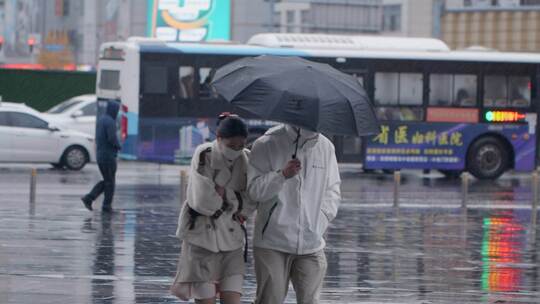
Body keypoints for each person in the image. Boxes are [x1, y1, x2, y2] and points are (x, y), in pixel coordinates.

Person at [247, 124, 341, 304]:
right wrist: (281, 175)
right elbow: (254, 191)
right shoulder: (266, 143)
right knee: (269, 299)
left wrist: (320, 219)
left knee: (310, 300)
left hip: (311, 243)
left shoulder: (326, 147)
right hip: (272, 242)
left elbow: (333, 190)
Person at [170, 115, 254, 304]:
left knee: (233, 297)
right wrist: (233, 199)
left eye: (240, 146)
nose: (236, 151)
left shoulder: (247, 158)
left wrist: (225, 194)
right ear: (219, 138)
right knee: (205, 299)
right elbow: (202, 200)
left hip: (232, 241)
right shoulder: (204, 154)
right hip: (202, 239)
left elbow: (251, 198)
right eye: (231, 146)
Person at [81, 101, 121, 213]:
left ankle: (89, 198)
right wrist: (119, 146)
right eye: (117, 110)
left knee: (107, 181)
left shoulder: (101, 120)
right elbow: (112, 138)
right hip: (108, 156)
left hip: (100, 156)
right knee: (110, 182)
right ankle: (105, 206)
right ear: (114, 110)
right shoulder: (110, 122)